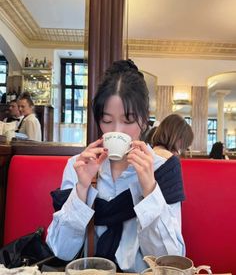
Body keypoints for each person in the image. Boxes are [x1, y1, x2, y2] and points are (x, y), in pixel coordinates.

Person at [46, 60, 186, 273]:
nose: (117, 130)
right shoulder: (79, 166)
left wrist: (150, 190)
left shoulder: (163, 170)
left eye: (128, 120)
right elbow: (61, 251)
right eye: (107, 120)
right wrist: (81, 189)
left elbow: (169, 261)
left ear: (144, 119)